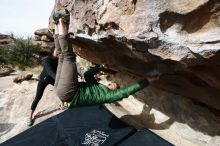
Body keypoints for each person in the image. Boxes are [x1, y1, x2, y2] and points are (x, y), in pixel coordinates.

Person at [52, 10, 159, 109]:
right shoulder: (96, 86)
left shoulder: (107, 96)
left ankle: (61, 20)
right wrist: (101, 67)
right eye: (113, 83)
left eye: (114, 85)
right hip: (61, 90)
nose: (112, 83)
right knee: (62, 56)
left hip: (68, 93)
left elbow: (125, 92)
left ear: (114, 91)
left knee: (69, 56)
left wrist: (146, 81)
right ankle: (57, 23)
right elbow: (87, 75)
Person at [28, 52, 59, 126]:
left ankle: (62, 103)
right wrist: (57, 79)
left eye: (59, 51)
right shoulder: (47, 60)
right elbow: (50, 71)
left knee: (59, 89)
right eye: (57, 50)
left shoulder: (58, 60)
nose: (58, 52)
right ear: (53, 51)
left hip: (52, 79)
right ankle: (30, 116)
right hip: (43, 79)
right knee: (38, 97)